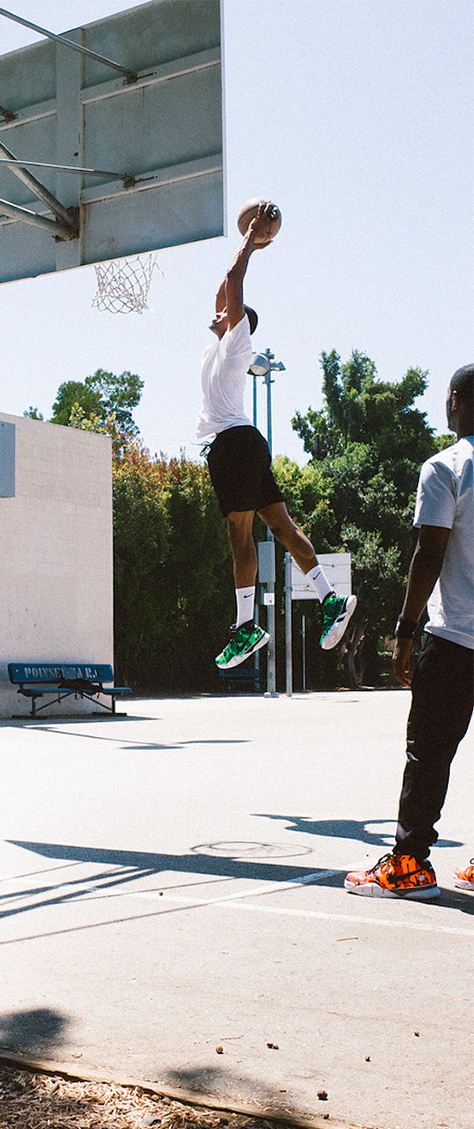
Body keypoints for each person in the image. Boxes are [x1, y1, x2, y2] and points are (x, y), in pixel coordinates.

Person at [197, 202, 356, 671]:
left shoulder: (237, 340)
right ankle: (330, 598)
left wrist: (250, 239)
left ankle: (246, 624)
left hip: (233, 446)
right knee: (282, 527)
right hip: (246, 444)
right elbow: (222, 289)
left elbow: (232, 278)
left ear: (237, 317)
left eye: (226, 308)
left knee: (239, 534)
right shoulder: (218, 344)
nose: (218, 309)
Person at [345, 365, 473, 899]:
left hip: (455, 639)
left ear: (456, 400)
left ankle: (410, 865)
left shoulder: (446, 467)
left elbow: (430, 550)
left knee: (429, 751)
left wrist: (403, 629)